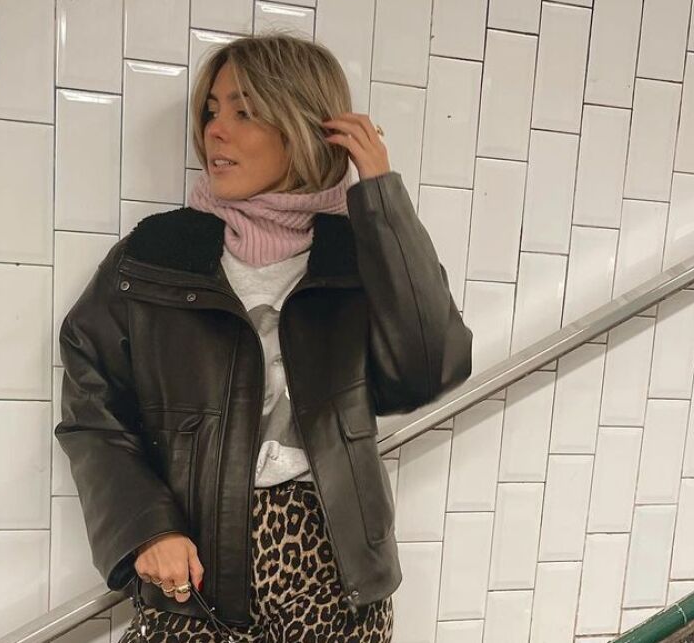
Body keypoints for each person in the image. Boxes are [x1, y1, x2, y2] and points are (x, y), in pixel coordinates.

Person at [55, 32, 474, 642]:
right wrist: (146, 526)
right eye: (211, 111)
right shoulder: (156, 257)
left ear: (301, 126)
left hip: (339, 580)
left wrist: (382, 200)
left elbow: (429, 369)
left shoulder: (355, 257)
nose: (215, 132)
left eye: (244, 112)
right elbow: (92, 411)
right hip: (195, 574)